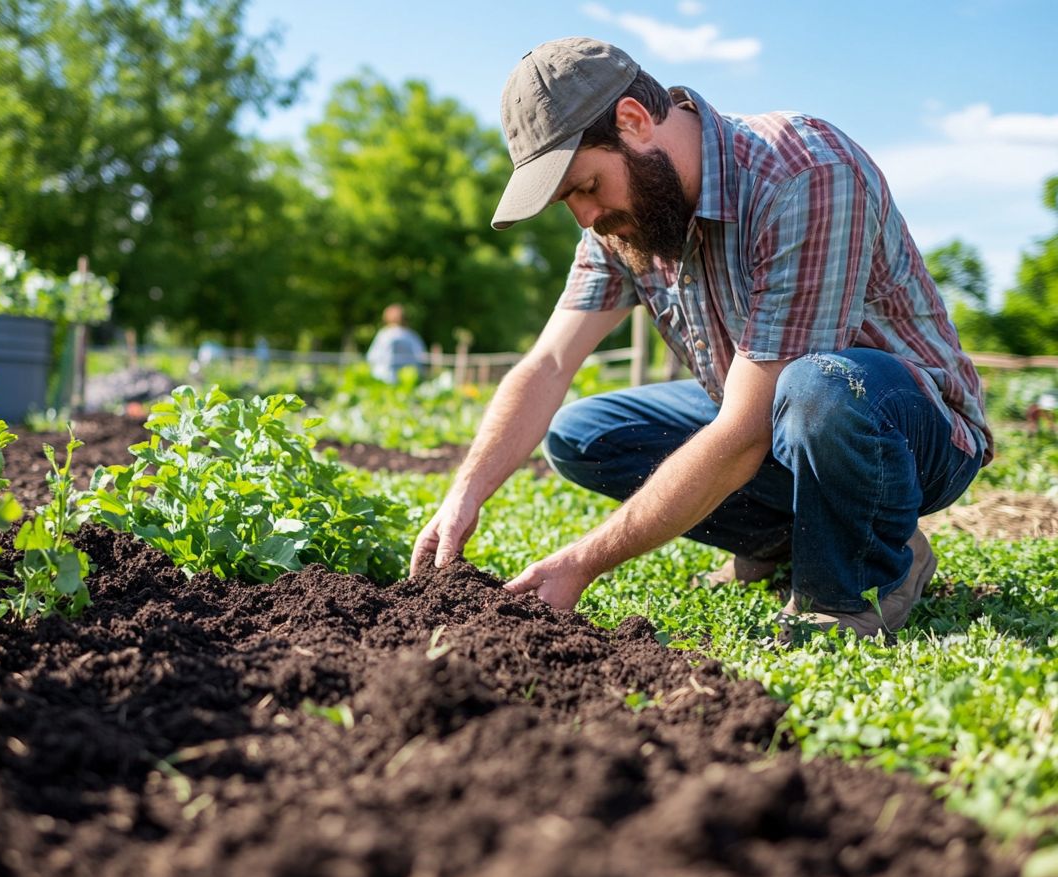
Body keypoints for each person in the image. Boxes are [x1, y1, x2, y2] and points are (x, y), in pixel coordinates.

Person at [410, 37, 992, 639]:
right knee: (585, 435)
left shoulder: (803, 173)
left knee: (818, 387)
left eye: (584, 187)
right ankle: (793, 533)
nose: (584, 216)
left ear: (633, 122)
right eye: (568, 201)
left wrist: (583, 562)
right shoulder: (622, 223)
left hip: (905, 423)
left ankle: (855, 579)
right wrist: (465, 493)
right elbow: (550, 362)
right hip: (767, 409)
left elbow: (745, 430)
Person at [366, 303, 427, 384]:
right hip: (409, 380)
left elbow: (372, 357)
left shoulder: (384, 335)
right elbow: (421, 357)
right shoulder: (412, 336)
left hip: (384, 379)